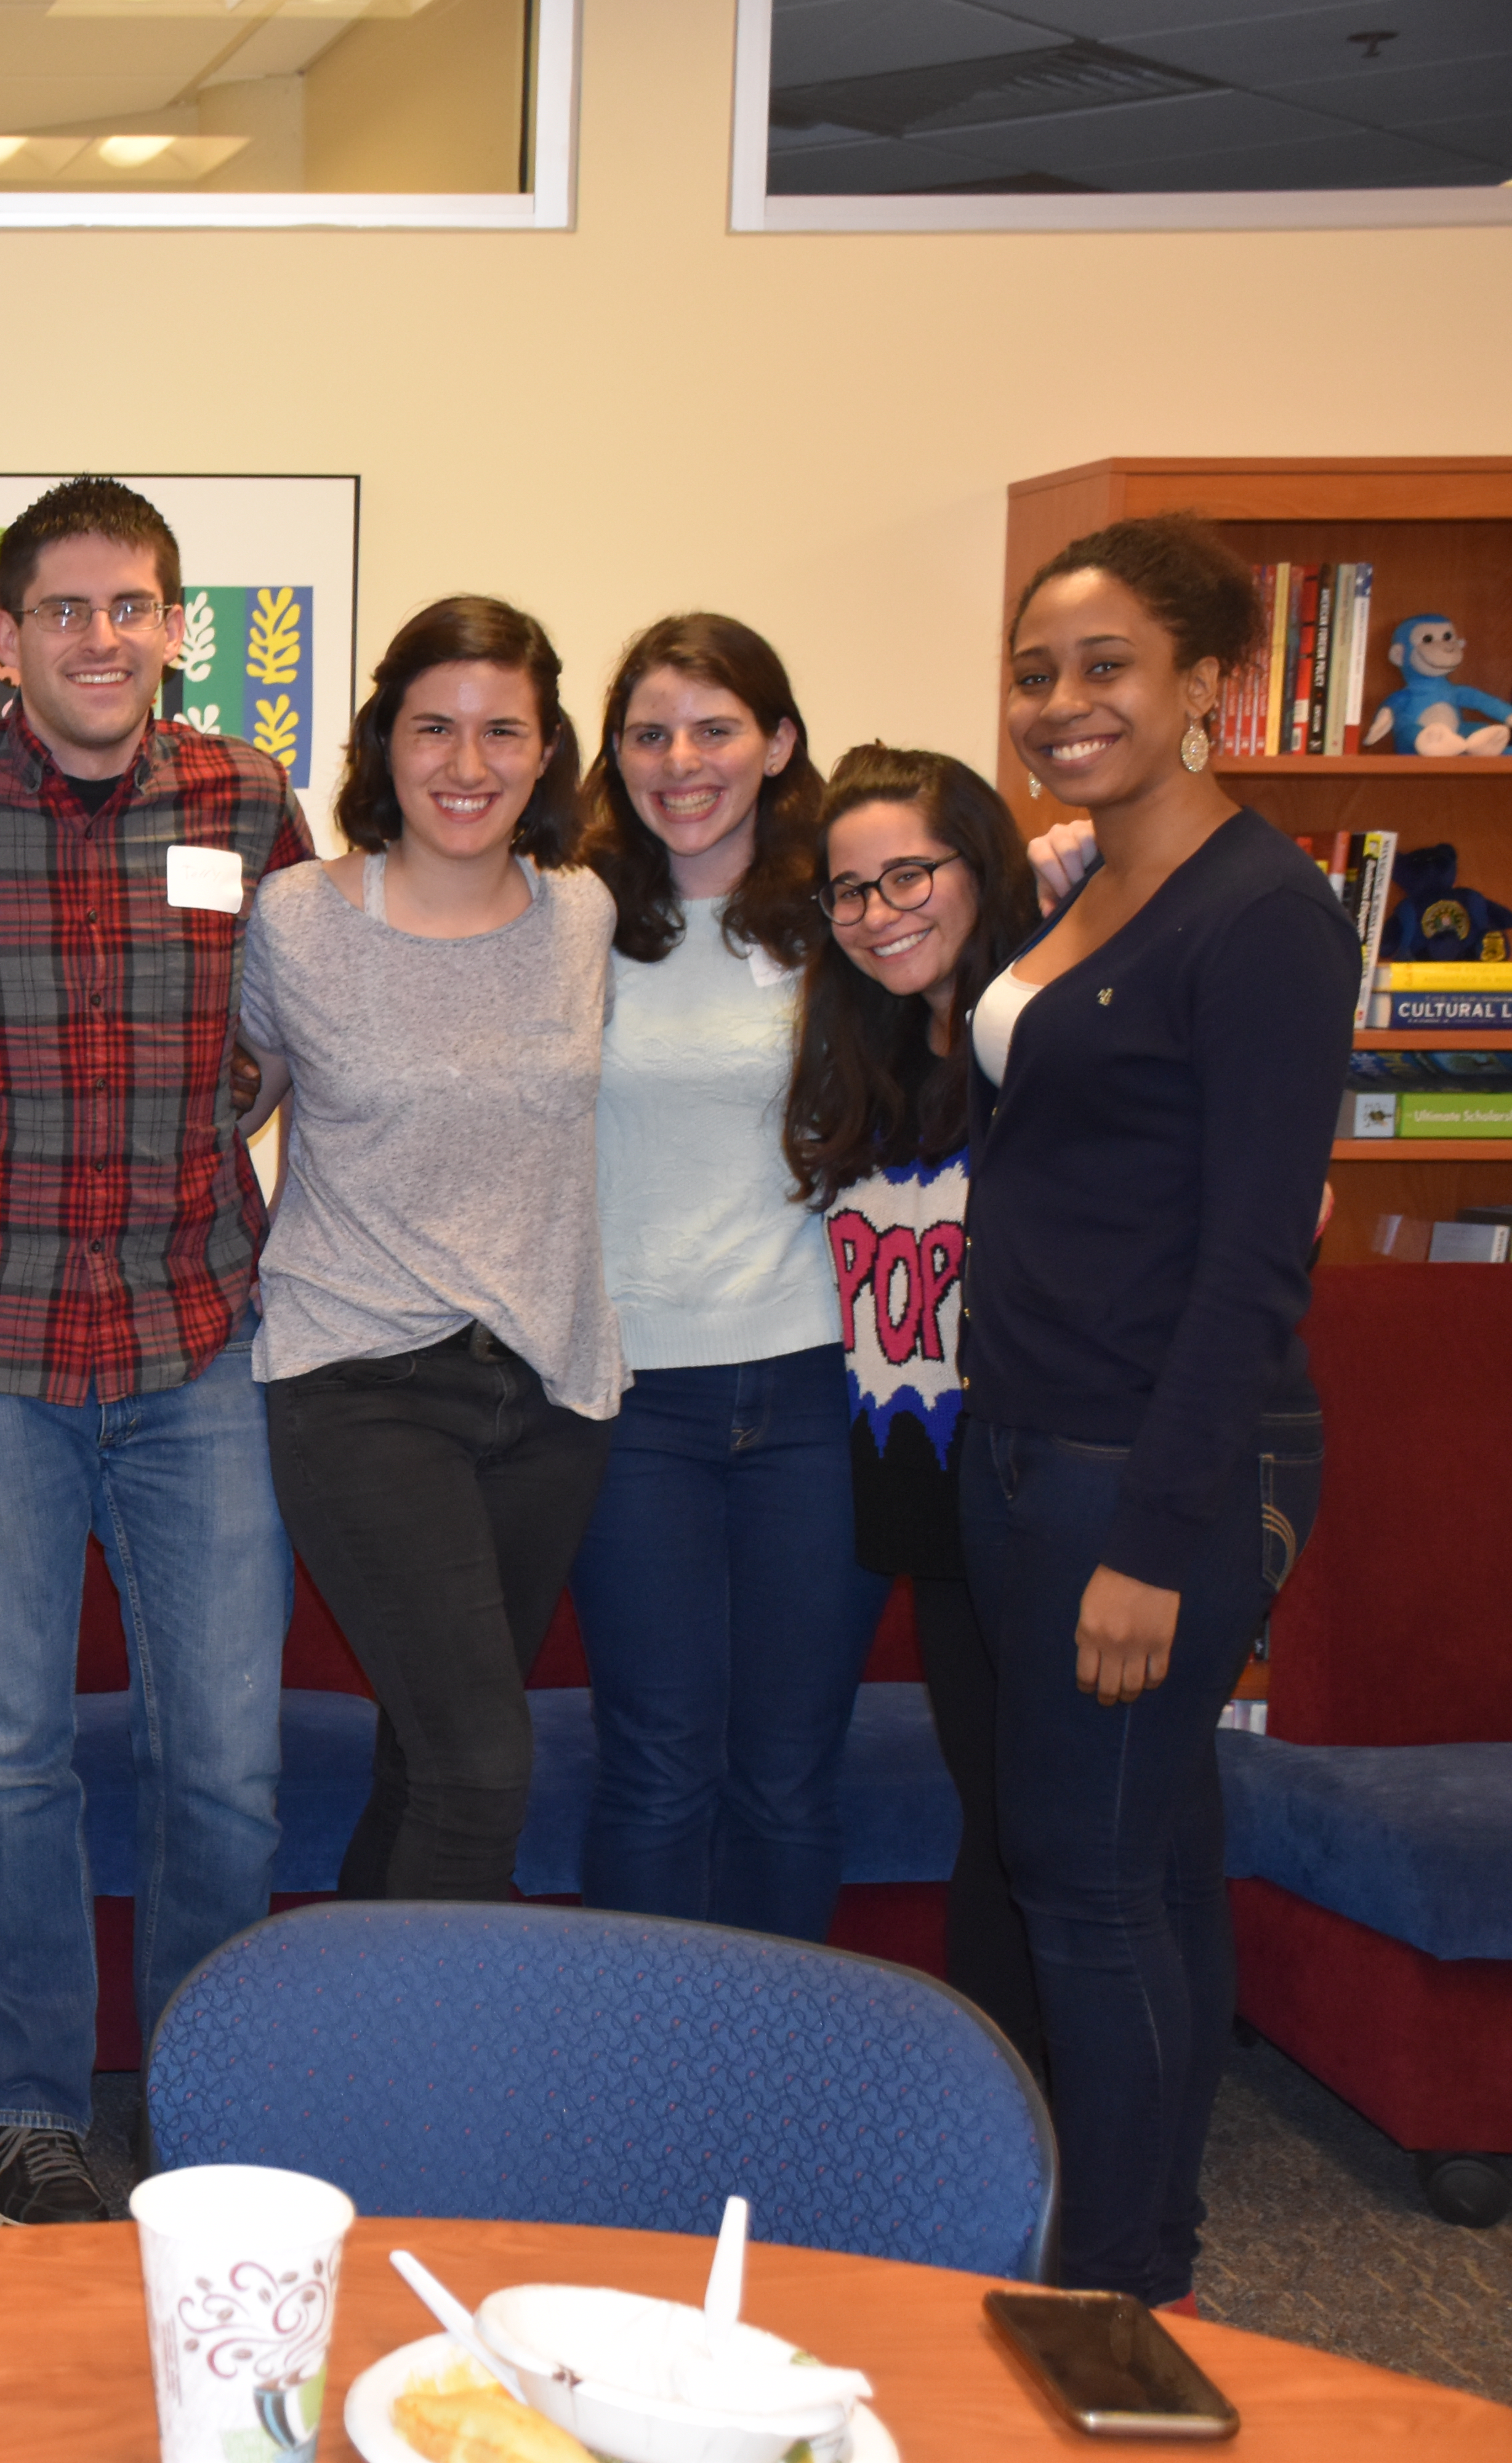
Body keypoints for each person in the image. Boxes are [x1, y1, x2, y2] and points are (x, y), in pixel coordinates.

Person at [0, 478, 302, 2227]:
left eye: (136, 607)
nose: (104, 640)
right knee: (8, 1752)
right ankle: (20, 2105)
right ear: (3, 632)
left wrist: (248, 1092)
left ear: (177, 625)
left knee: (223, 1759)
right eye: (69, 610)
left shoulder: (249, 801)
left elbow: (305, 1017)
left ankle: (206, 2092)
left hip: (197, 1337)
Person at [970, 514, 1352, 2305]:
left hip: (1146, 1467)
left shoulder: (1267, 917)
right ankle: (1157, 2239)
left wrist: (1153, 1540)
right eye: (1039, 671)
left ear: (1212, 683)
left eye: (1107, 667)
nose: (1063, 702)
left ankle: (1113, 2290)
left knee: (1090, 1884)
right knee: (1153, 1864)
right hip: (1041, 1437)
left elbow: (1255, 1263)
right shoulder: (1098, 883)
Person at [242, 595, 621, 1906]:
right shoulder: (294, 916)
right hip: (360, 1380)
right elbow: (226, 1095)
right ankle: (427, 2089)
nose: (469, 764)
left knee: (430, 1760)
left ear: (548, 747)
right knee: (482, 1769)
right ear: (383, 742)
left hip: (550, 1389)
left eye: (502, 730)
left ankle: (343, 2068)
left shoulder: (585, 915)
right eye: (436, 728)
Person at [565, 615, 887, 1941]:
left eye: (715, 728)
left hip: (821, 1391)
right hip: (635, 1398)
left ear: (780, 743)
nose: (681, 761)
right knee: (655, 1767)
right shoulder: (568, 915)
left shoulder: (847, 915)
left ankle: (777, 2087)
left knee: (791, 1777)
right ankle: (640, 2089)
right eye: (649, 733)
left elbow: (989, 986)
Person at [783, 741, 1046, 2082]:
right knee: (996, 1813)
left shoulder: (1048, 1030)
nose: (879, 911)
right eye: (848, 889)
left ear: (980, 866)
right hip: (923, 1501)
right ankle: (1002, 2112)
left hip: (1040, 1494)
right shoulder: (875, 1047)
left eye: (909, 875)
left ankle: (1074, 2168)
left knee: (1055, 1830)